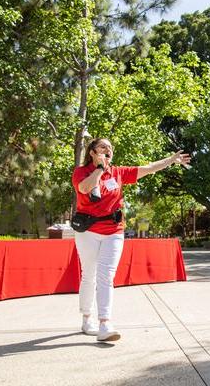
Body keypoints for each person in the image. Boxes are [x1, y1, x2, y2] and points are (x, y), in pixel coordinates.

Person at [71, 138, 190, 342]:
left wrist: (171, 160)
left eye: (110, 148)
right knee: (89, 274)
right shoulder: (81, 172)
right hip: (88, 231)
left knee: (106, 276)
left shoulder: (119, 173)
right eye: (102, 147)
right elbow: (84, 189)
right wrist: (99, 169)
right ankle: (87, 317)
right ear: (92, 152)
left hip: (114, 231)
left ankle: (105, 323)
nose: (107, 150)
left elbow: (149, 168)